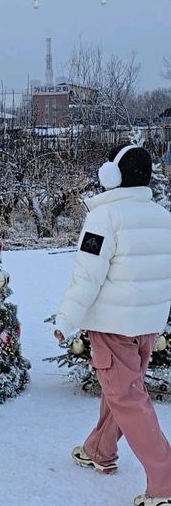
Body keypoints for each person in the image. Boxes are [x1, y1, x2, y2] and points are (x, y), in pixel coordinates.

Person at [56, 143, 171, 506]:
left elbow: (87, 276)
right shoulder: (162, 216)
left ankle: (165, 483)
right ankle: (99, 450)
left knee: (127, 397)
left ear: (112, 175)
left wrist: (67, 320)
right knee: (122, 392)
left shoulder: (104, 218)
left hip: (111, 324)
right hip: (147, 324)